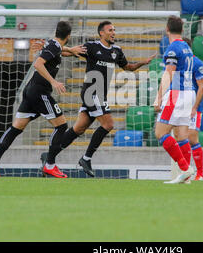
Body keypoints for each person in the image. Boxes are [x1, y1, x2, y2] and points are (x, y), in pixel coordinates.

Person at [40, 20, 157, 176]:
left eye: (114, 30)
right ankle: (86, 158)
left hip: (100, 95)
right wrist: (48, 49)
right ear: (101, 33)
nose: (113, 32)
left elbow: (127, 67)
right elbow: (69, 52)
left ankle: (49, 156)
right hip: (91, 92)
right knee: (108, 124)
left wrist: (143, 62)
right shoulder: (91, 47)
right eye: (110, 30)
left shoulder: (117, 51)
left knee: (78, 129)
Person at [0, 21, 86, 178]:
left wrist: (70, 50)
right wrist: (54, 82)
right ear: (69, 36)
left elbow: (58, 51)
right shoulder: (53, 46)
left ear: (56, 32)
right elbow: (39, 64)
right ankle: (50, 165)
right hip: (40, 92)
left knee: (16, 128)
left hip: (30, 92)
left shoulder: (53, 44)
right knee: (61, 126)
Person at [154, 16, 196, 184]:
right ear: (182, 30)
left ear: (167, 29)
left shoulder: (172, 48)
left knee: (160, 132)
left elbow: (169, 73)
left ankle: (185, 169)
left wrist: (158, 97)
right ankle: (185, 177)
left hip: (177, 94)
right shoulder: (187, 46)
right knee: (179, 134)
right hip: (189, 93)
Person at [172, 38, 203, 182]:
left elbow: (202, 87)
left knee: (192, 137)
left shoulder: (197, 63)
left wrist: (195, 107)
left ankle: (200, 174)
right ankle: (186, 172)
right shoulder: (177, 66)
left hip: (193, 106)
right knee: (179, 136)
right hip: (180, 104)